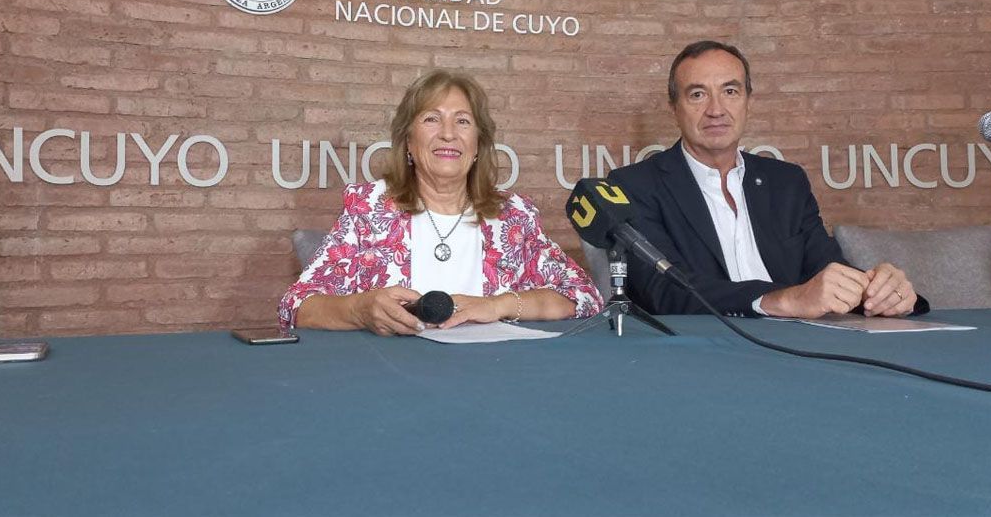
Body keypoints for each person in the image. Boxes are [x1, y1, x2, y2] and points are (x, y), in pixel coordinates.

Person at [608, 40, 928, 319]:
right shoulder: (635, 186)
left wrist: (881, 293)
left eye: (730, 91)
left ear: (748, 101)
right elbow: (664, 291)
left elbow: (824, 268)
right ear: (674, 108)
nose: (716, 110)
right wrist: (782, 300)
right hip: (703, 352)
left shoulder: (786, 183)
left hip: (800, 344)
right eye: (697, 95)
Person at [279, 70, 603, 335]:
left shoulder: (513, 217)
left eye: (462, 121)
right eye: (432, 119)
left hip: (496, 377)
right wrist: (360, 310)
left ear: (478, 145)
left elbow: (583, 296)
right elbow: (296, 306)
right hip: (392, 377)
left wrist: (497, 305)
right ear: (408, 140)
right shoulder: (369, 209)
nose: (448, 134)